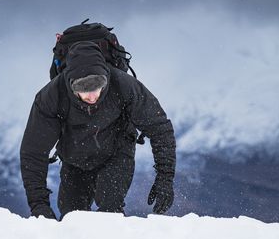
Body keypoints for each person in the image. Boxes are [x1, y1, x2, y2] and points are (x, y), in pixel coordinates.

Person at [20, 41, 176, 220]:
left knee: (110, 212)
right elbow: (33, 153)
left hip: (117, 152)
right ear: (71, 83)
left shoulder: (124, 86)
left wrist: (165, 178)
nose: (93, 96)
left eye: (98, 86)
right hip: (73, 158)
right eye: (83, 89)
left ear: (106, 78)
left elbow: (160, 129)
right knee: (73, 216)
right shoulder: (51, 97)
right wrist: (38, 205)